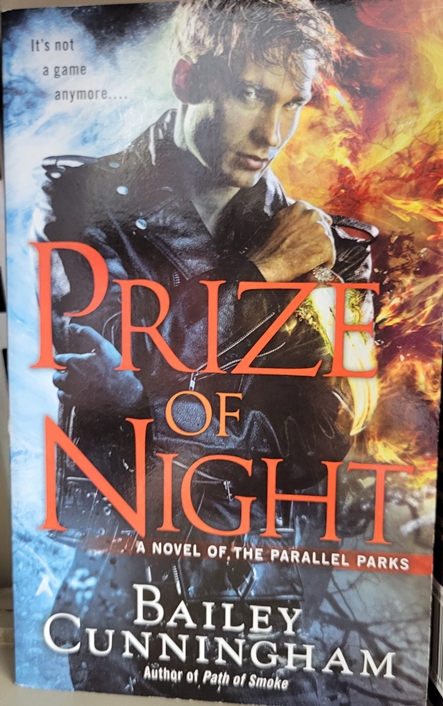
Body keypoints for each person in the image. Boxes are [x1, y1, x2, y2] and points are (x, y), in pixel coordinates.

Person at [33, 0, 375, 701]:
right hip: (124, 593)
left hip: (271, 600)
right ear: (188, 80)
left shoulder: (328, 247)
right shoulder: (71, 199)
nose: (271, 132)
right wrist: (258, 278)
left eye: (292, 103)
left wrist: (148, 402)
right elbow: (96, 375)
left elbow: (330, 437)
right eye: (251, 94)